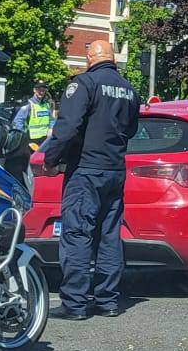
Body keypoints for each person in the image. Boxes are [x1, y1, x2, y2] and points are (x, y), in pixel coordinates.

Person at [43, 37, 141, 320]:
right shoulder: (129, 90)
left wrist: (51, 160)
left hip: (85, 170)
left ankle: (74, 304)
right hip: (114, 170)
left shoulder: (84, 84)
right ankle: (108, 301)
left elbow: (68, 127)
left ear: (90, 59)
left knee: (77, 234)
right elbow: (132, 130)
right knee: (109, 235)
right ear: (112, 58)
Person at [14, 81, 56, 148]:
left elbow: (52, 120)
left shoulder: (46, 105)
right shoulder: (28, 104)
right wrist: (23, 139)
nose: (41, 92)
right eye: (39, 89)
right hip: (32, 140)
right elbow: (18, 122)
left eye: (43, 90)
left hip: (45, 139)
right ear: (34, 90)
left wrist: (51, 129)